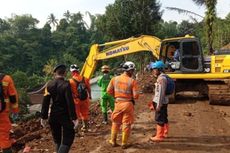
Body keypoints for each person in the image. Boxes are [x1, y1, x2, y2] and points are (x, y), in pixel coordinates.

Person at [41, 64, 78, 153]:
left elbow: (45, 102)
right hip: (64, 116)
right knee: (68, 138)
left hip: (53, 116)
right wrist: (74, 117)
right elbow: (70, 102)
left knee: (57, 140)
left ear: (55, 73)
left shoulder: (49, 85)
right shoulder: (66, 84)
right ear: (64, 73)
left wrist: (44, 117)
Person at [107, 61, 139, 149]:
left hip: (117, 103)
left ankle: (113, 141)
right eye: (132, 70)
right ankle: (124, 143)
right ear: (129, 70)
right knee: (126, 124)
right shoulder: (132, 81)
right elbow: (136, 96)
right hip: (128, 104)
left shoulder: (114, 79)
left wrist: (116, 97)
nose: (133, 72)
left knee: (116, 122)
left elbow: (108, 91)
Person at [149, 61, 169, 142]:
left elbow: (160, 93)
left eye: (155, 69)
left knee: (159, 118)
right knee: (164, 117)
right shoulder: (163, 77)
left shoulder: (161, 79)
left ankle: (159, 136)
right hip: (163, 101)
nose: (153, 71)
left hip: (160, 102)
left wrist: (158, 105)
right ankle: (164, 133)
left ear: (159, 69)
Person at [69, 64, 92, 132]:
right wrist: (90, 96)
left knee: (76, 114)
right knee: (85, 113)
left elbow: (70, 92)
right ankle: (85, 128)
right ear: (78, 71)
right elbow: (89, 89)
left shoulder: (70, 81)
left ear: (72, 72)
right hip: (85, 99)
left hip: (76, 100)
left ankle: (76, 130)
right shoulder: (85, 79)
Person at [0, 73, 18, 153]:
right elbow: (13, 97)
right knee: (4, 134)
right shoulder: (6, 78)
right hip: (2, 112)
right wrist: (15, 111)